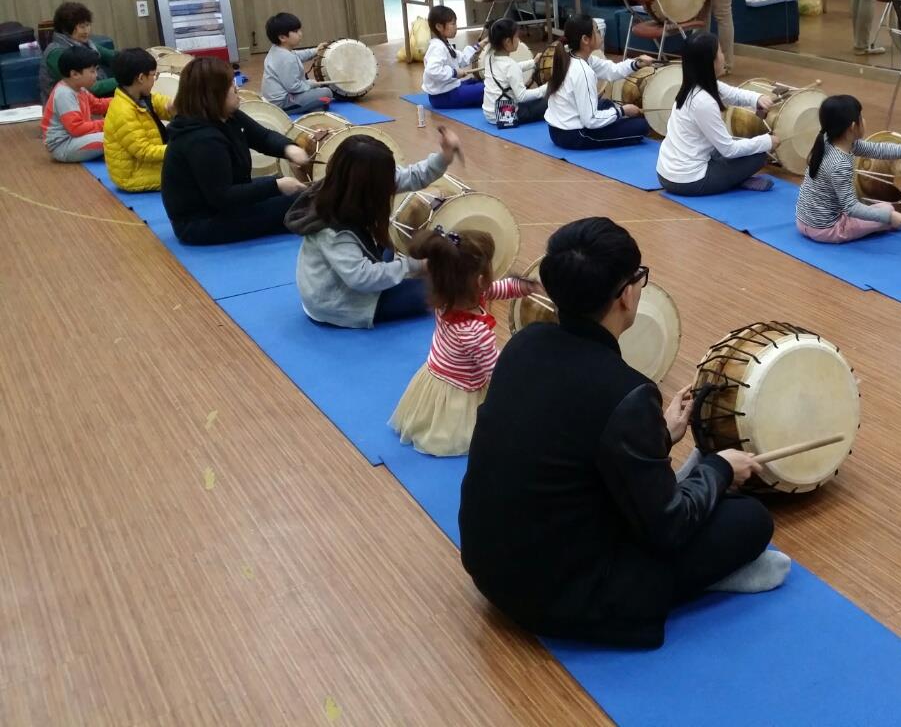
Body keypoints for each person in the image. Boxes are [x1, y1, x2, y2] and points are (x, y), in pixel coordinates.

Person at [459, 217, 788, 648]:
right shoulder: (628, 391)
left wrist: (662, 435)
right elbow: (667, 525)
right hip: (560, 597)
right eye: (638, 279)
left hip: (489, 567)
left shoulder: (525, 343)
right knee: (750, 521)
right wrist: (719, 467)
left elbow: (567, 444)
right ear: (627, 296)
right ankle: (695, 582)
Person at [284, 127, 463, 328]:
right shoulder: (333, 230)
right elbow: (362, 278)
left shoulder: (348, 184)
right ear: (371, 183)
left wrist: (444, 156)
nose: (391, 181)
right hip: (337, 301)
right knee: (446, 289)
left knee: (392, 252)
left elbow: (412, 177)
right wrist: (417, 267)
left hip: (350, 273)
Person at [389, 227, 541, 456]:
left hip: (436, 375)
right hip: (460, 389)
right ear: (480, 280)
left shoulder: (449, 296)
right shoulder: (475, 332)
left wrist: (526, 287)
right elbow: (496, 373)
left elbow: (495, 289)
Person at [161, 57, 311, 245]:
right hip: (200, 223)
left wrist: (289, 148)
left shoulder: (226, 115)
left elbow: (262, 137)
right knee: (306, 204)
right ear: (213, 95)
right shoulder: (202, 139)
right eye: (230, 85)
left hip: (224, 204)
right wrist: (277, 186)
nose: (236, 88)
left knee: (303, 197)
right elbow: (222, 196)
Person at [796, 95, 901, 243]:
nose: (864, 121)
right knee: (888, 210)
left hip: (803, 221)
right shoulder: (840, 163)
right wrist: (889, 217)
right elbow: (852, 208)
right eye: (861, 117)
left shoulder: (828, 140)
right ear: (853, 127)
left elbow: (877, 149)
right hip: (828, 229)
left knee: (881, 209)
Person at [656, 33, 775, 196]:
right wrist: (768, 141)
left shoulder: (695, 85)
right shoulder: (703, 102)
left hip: (666, 173)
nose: (723, 55)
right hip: (689, 182)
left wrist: (758, 98)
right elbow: (729, 150)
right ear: (710, 62)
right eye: (719, 52)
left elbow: (733, 94)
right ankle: (735, 179)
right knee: (758, 155)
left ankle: (734, 178)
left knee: (741, 146)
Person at [544, 15, 652, 150]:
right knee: (641, 126)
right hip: (573, 135)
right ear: (585, 39)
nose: (600, 33)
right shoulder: (582, 71)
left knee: (606, 104)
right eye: (596, 30)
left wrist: (636, 64)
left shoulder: (574, 57)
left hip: (556, 131)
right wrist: (623, 111)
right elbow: (590, 120)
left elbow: (612, 70)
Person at [103, 48, 171, 191]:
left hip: (145, 164)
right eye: (154, 75)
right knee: (194, 172)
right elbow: (144, 152)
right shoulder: (123, 111)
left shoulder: (140, 96)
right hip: (133, 174)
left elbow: (165, 105)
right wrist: (179, 149)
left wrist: (182, 105)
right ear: (141, 78)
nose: (155, 79)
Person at [39, 46, 110, 163]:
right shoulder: (64, 94)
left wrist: (122, 100)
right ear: (75, 74)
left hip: (76, 139)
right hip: (64, 146)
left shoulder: (79, 88)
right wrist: (109, 124)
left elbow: (98, 105)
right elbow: (77, 128)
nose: (96, 75)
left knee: (118, 133)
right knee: (117, 136)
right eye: (92, 71)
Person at [38, 2, 116, 102]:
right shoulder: (56, 53)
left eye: (88, 25)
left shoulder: (84, 43)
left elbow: (113, 56)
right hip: (67, 106)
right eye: (82, 27)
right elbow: (90, 87)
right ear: (66, 29)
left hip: (90, 100)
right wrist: (124, 79)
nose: (86, 31)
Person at [261, 12, 334, 113]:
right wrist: (310, 84)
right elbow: (293, 87)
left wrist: (316, 50)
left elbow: (297, 55)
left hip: (278, 99)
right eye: (296, 31)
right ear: (282, 37)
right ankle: (309, 108)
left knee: (317, 91)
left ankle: (314, 106)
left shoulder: (278, 50)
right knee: (327, 92)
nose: (300, 33)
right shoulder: (286, 58)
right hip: (283, 104)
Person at [481, 17, 546, 125]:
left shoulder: (489, 56)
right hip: (506, 115)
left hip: (489, 113)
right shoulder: (510, 65)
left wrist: (533, 62)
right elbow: (522, 96)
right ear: (507, 42)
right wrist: (546, 88)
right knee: (549, 102)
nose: (519, 40)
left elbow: (510, 70)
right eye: (516, 37)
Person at [423, 5, 486, 110]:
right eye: (453, 24)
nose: (456, 27)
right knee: (486, 88)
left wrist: (480, 45)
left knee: (477, 81)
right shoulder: (437, 47)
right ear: (439, 26)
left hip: (449, 90)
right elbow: (432, 70)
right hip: (443, 96)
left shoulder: (444, 44)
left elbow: (461, 59)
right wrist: (455, 73)